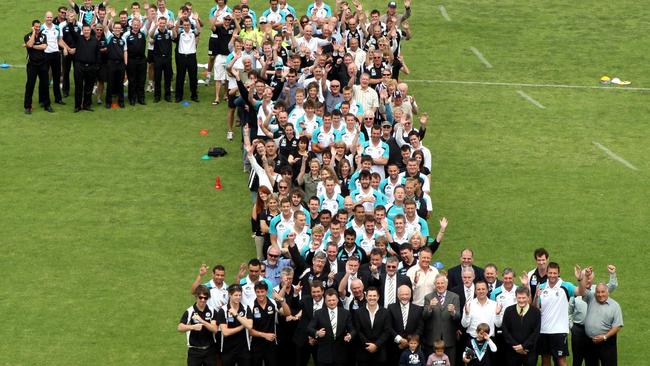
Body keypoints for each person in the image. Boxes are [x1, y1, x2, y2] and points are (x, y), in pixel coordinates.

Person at [569, 265, 618, 366]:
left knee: (592, 360)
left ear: (593, 278)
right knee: (577, 360)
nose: (587, 280)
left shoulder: (598, 290)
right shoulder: (576, 291)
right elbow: (569, 311)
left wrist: (612, 274)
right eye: (585, 277)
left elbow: (612, 286)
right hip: (579, 330)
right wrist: (571, 326)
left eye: (589, 278)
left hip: (593, 332)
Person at [534, 262, 576, 366]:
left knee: (561, 361)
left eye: (555, 273)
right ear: (547, 273)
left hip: (559, 331)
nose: (552, 275)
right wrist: (536, 296)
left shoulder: (566, 286)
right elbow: (535, 308)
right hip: (543, 330)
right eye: (550, 273)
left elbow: (581, 291)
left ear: (558, 273)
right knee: (545, 360)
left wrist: (582, 279)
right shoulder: (541, 287)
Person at [308, 288, 356, 366]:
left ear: (337, 300)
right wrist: (317, 333)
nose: (331, 302)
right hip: (324, 355)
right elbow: (309, 328)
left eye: (333, 300)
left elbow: (352, 329)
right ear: (325, 301)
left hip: (341, 354)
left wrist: (350, 335)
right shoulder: (318, 313)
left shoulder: (345, 313)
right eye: (329, 300)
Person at [422, 274, 460, 365]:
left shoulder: (455, 297)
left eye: (442, 283)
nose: (440, 285)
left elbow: (458, 317)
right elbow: (424, 316)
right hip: (433, 338)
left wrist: (453, 312)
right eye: (437, 283)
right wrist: (430, 307)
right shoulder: (428, 297)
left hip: (449, 338)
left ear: (446, 284)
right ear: (435, 285)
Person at [249, 281, 290, 366]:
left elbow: (287, 313)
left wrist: (281, 300)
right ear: (255, 291)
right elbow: (249, 330)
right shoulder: (250, 305)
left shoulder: (273, 303)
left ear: (266, 291)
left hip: (271, 344)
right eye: (258, 292)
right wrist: (264, 335)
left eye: (262, 291)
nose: (260, 294)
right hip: (256, 344)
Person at [178, 285, 219, 366]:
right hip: (194, 351)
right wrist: (192, 327)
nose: (203, 300)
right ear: (196, 297)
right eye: (201, 297)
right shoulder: (190, 311)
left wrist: (201, 321)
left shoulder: (212, 311)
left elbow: (215, 329)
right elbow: (180, 327)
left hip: (210, 350)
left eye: (205, 298)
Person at [501, 287, 541, 366]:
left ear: (528, 297)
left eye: (524, 298)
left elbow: (536, 332)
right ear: (515, 297)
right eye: (519, 298)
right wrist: (516, 347)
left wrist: (523, 346)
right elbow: (505, 330)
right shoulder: (509, 311)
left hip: (529, 351)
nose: (521, 300)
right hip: (512, 351)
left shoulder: (535, 312)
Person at [352, 286, 391, 366]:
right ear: (366, 297)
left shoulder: (385, 312)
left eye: (374, 296)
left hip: (380, 352)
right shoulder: (358, 312)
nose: (372, 298)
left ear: (378, 297)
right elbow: (358, 331)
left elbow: (387, 331)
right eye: (370, 296)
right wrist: (368, 344)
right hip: (363, 352)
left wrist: (376, 345)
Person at [218, 284, 254, 366]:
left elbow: (250, 326)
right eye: (236, 295)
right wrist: (242, 325)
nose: (238, 297)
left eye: (240, 295)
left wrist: (236, 315)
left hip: (244, 349)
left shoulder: (246, 308)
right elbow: (225, 332)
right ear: (230, 295)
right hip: (228, 349)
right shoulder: (223, 310)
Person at [387, 285, 423, 366]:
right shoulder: (391, 308)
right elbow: (388, 326)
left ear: (410, 295)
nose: (404, 297)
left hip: (413, 348)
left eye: (407, 294)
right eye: (402, 294)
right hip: (395, 347)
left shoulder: (418, 309)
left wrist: (410, 341)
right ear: (398, 295)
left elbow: (420, 328)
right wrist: (400, 340)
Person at [24, 19, 52, 114]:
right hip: (32, 65)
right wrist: (33, 34)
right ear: (32, 27)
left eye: (39, 27)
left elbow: (44, 47)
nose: (37, 28)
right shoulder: (27, 36)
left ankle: (47, 104)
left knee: (45, 84)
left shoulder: (43, 35)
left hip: (43, 64)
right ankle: (28, 106)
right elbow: (30, 43)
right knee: (30, 85)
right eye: (36, 27)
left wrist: (32, 46)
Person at [73, 24, 100, 112]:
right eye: (84, 30)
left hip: (91, 67)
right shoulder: (78, 39)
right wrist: (70, 21)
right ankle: (77, 106)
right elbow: (71, 31)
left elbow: (97, 54)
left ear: (90, 30)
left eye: (88, 30)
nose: (86, 32)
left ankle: (87, 105)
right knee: (78, 87)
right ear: (82, 30)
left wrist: (96, 66)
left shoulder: (95, 40)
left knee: (89, 87)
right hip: (79, 66)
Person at [41, 11, 65, 106]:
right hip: (45, 55)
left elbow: (59, 40)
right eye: (48, 17)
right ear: (45, 18)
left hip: (55, 54)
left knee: (56, 77)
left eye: (51, 17)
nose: (49, 19)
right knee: (44, 78)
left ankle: (58, 99)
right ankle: (43, 99)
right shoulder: (42, 28)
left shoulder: (57, 27)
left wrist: (66, 48)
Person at [174, 17, 200, 102]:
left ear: (190, 25)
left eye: (188, 25)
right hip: (182, 57)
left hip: (191, 56)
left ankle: (194, 95)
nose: (186, 26)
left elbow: (199, 30)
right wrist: (179, 19)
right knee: (180, 77)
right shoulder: (180, 32)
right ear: (183, 25)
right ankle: (178, 96)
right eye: (185, 25)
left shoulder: (193, 32)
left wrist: (196, 20)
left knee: (193, 77)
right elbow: (176, 30)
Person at [150, 16, 174, 102]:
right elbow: (150, 35)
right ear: (158, 23)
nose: (162, 25)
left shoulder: (169, 33)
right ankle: (157, 96)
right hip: (158, 59)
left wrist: (173, 27)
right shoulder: (156, 33)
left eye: (164, 23)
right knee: (157, 78)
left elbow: (175, 36)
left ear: (166, 23)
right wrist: (155, 26)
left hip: (167, 59)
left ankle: (167, 96)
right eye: (160, 23)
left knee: (167, 78)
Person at [124, 17, 148, 105]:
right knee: (132, 80)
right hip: (131, 61)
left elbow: (149, 23)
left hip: (142, 60)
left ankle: (141, 98)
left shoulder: (143, 33)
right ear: (131, 25)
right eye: (134, 25)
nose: (136, 26)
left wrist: (147, 11)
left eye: (138, 25)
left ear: (140, 25)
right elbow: (124, 49)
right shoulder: (126, 35)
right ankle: (132, 98)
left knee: (141, 80)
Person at [104, 23, 127, 108]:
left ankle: (121, 101)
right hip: (111, 63)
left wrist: (125, 64)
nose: (117, 30)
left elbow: (125, 51)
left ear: (121, 30)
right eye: (115, 28)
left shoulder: (123, 39)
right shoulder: (109, 36)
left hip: (121, 63)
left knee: (120, 83)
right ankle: (108, 102)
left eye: (119, 28)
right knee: (110, 83)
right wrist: (108, 15)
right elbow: (104, 26)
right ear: (113, 29)